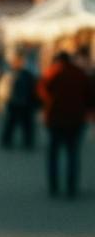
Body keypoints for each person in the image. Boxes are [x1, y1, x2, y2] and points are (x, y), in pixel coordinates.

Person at [37, 49, 93, 198]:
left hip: (56, 119)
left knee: (54, 154)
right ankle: (71, 187)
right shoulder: (79, 73)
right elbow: (89, 95)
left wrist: (52, 102)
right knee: (72, 154)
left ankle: (54, 186)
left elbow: (42, 91)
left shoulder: (52, 72)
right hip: (76, 119)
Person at [0, 53, 37, 150]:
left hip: (23, 103)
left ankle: (27, 142)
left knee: (25, 125)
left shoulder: (27, 75)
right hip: (15, 103)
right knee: (12, 124)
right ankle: (7, 141)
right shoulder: (10, 74)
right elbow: (4, 89)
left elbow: (33, 89)